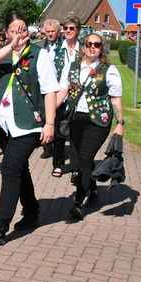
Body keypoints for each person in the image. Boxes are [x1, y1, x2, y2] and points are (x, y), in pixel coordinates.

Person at [0, 13, 58, 246]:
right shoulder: (0, 53)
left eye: (22, 29)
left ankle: (0, 225)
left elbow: (50, 91)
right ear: (7, 33)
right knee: (20, 168)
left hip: (29, 124)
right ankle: (31, 211)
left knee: (10, 169)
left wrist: (50, 124)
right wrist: (9, 47)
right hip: (3, 123)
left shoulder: (39, 55)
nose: (19, 34)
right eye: (14, 30)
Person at [57, 33, 123, 220]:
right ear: (83, 46)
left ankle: (78, 202)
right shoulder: (72, 67)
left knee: (85, 158)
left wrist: (120, 123)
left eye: (97, 44)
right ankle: (91, 187)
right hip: (76, 119)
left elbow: (115, 98)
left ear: (102, 48)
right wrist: (49, 114)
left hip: (98, 121)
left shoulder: (109, 70)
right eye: (89, 44)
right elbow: (63, 91)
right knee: (79, 160)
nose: (93, 47)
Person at [50, 14, 81, 178]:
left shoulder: (84, 50)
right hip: (59, 95)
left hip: (79, 98)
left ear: (78, 30)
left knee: (76, 133)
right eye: (66, 28)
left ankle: (76, 167)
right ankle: (58, 164)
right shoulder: (55, 50)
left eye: (71, 28)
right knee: (59, 133)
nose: (68, 31)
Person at [39, 18, 62, 160]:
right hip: (45, 87)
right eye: (48, 31)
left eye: (53, 31)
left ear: (58, 32)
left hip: (59, 87)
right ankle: (47, 146)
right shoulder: (41, 46)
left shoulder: (63, 46)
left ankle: (58, 151)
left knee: (58, 120)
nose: (50, 33)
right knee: (44, 116)